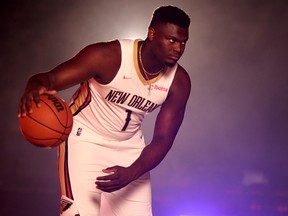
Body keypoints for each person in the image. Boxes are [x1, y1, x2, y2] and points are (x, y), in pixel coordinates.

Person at [18, 5, 191, 216]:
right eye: (172, 40)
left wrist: (132, 172)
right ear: (152, 33)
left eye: (183, 42)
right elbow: (51, 78)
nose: (178, 49)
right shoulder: (109, 57)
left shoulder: (179, 82)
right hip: (86, 138)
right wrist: (35, 84)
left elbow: (163, 139)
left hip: (130, 146)